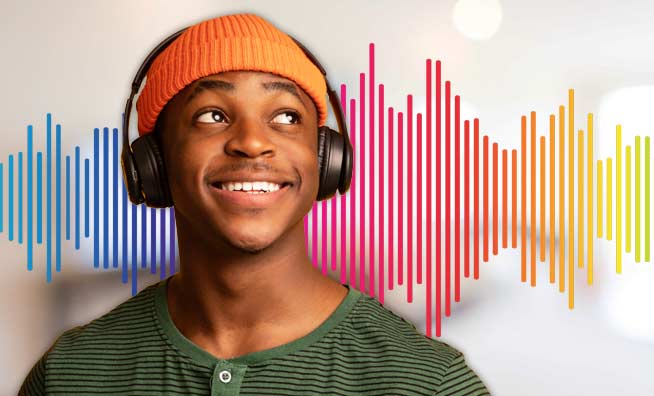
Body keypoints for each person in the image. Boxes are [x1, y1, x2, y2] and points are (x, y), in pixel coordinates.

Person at [18, 13, 490, 396]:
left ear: (326, 159)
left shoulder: (427, 382)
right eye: (212, 116)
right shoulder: (69, 375)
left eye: (286, 117)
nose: (251, 142)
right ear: (154, 163)